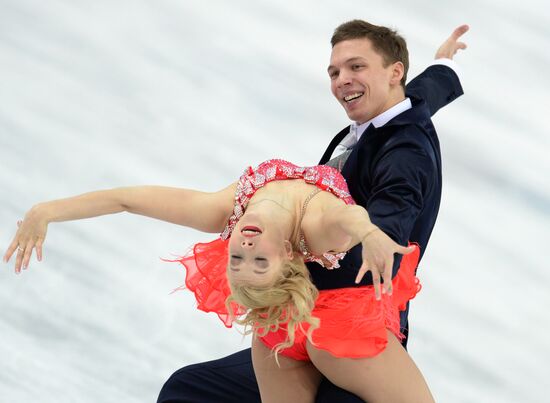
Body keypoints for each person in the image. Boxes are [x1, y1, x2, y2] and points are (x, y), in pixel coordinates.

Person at [155, 20, 468, 403]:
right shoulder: (397, 109)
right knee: (190, 389)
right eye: (335, 71)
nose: (342, 80)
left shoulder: (405, 155)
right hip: (303, 322)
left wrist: (376, 236)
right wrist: (444, 66)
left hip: (354, 331)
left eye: (355, 67)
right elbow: (426, 93)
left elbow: (391, 213)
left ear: (394, 72)